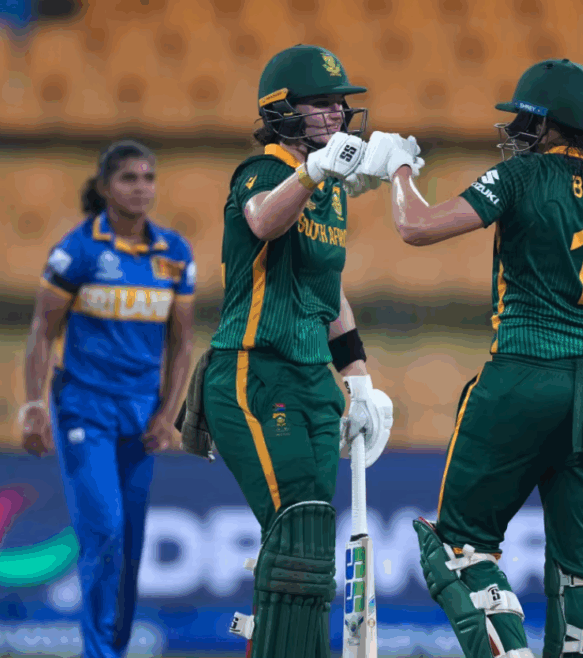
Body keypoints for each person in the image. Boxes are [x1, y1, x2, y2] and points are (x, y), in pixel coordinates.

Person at [353, 59, 583, 657]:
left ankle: (507, 648)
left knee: (457, 545)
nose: (519, 130)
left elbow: (415, 226)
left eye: (527, 119)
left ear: (552, 124)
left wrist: (398, 167)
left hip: (523, 375)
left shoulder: (521, 175)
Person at [190, 44, 416, 658]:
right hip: (254, 370)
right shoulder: (261, 171)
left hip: (315, 379)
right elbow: (263, 221)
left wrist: (360, 381)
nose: (338, 113)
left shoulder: (331, 187)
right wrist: (313, 172)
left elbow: (327, 291)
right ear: (282, 110)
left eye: (341, 103)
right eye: (322, 103)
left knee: (311, 542)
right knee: (294, 529)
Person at [19, 140, 195, 658]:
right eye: (128, 178)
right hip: (84, 408)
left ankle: (113, 647)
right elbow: (42, 330)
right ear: (104, 187)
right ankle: (99, 653)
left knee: (132, 545)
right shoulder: (78, 250)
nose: (141, 187)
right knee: (106, 531)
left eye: (148, 177)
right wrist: (34, 406)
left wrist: (168, 414)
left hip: (141, 415)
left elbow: (182, 343)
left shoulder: (174, 254)